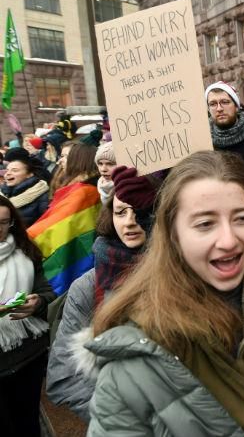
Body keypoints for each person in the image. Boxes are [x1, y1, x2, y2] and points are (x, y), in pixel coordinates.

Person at [84, 151, 244, 436]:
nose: (229, 240)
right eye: (205, 224)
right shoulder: (131, 367)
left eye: (242, 218)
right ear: (172, 234)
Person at [46, 168, 154, 421]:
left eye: (138, 211)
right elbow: (63, 376)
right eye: (119, 212)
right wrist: (122, 420)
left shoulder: (191, 273)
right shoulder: (88, 287)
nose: (129, 221)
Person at [0, 196, 57, 437]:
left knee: (27, 423)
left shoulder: (27, 252)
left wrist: (38, 302)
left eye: (4, 222)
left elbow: (46, 293)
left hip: (27, 355)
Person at [28, 143, 101, 295]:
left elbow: (51, 227)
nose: (59, 161)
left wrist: (21, 239)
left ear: (78, 160)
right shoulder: (80, 188)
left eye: (66, 157)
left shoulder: (84, 192)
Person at [206, 81, 244, 178]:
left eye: (225, 102)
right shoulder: (205, 143)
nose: (219, 109)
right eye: (213, 104)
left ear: (236, 107)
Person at [1, 156, 49, 226]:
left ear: (29, 174)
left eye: (15, 170)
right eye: (7, 170)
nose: (8, 173)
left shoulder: (42, 195)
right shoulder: (3, 193)